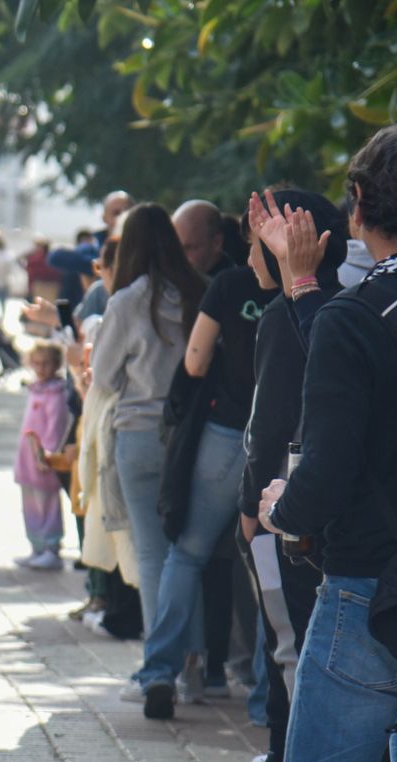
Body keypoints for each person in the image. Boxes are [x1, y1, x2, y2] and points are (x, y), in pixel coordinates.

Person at [260, 124, 397, 762]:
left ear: (358, 208)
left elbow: (325, 468)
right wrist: (303, 286)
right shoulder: (353, 317)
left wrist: (283, 506)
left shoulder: (362, 314)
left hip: (368, 595)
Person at [227, 190, 344, 762]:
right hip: (319, 509)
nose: (250, 256)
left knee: (287, 649)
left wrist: (250, 507)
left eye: (259, 239)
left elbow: (267, 425)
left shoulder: (286, 316)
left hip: (281, 512)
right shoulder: (342, 309)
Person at [133, 229, 283, 721]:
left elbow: (195, 362)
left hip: (223, 432)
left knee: (187, 552)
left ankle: (159, 671)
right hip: (281, 442)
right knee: (270, 566)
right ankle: (267, 701)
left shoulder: (230, 286)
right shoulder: (308, 290)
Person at [89, 204, 206, 715]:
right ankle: (196, 667)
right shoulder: (200, 293)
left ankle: (159, 669)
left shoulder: (128, 301)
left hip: (138, 433)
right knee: (191, 554)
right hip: (195, 436)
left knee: (155, 554)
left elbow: (104, 375)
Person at [15, 343, 71, 570]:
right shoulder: (35, 389)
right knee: (30, 503)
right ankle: (36, 545)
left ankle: (51, 546)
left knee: (47, 503)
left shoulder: (56, 393)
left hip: (43, 459)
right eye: (36, 363)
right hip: (27, 459)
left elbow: (55, 427)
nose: (41, 368)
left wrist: (47, 453)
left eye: (46, 363)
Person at [173, 199, 233, 277]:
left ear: (217, 243)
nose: (178, 257)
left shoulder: (231, 285)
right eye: (175, 248)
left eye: (189, 248)